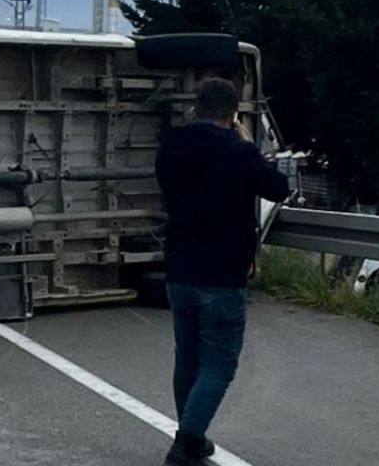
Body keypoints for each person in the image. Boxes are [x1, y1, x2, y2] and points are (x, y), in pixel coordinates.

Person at [155, 78, 291, 466]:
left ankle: (192, 437)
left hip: (179, 266)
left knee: (189, 359)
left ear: (197, 107)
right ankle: (186, 443)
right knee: (219, 363)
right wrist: (249, 147)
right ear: (233, 114)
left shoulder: (170, 146)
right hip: (222, 272)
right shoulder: (237, 150)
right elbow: (277, 188)